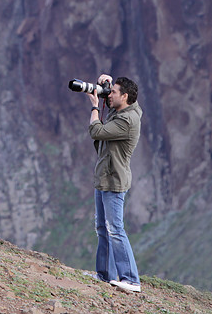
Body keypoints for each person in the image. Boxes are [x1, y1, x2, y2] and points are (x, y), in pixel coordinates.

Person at [86, 73, 142, 293]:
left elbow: (96, 131)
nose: (109, 96)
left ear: (125, 96)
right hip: (103, 177)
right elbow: (117, 103)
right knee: (102, 228)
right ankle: (104, 275)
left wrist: (94, 106)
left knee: (115, 229)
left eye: (113, 93)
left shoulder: (127, 120)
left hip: (114, 180)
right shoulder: (124, 108)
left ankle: (131, 279)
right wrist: (107, 84)